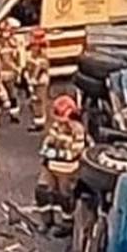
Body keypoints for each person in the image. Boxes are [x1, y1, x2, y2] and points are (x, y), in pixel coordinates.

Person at [36, 95, 87, 236]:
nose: (60, 122)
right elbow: (47, 142)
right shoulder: (56, 126)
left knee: (65, 197)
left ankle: (67, 223)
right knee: (42, 191)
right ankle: (46, 221)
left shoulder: (77, 130)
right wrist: (50, 151)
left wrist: (54, 152)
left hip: (67, 170)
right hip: (50, 166)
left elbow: (73, 153)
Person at [0, 19, 24, 123]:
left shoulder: (16, 43)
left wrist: (19, 70)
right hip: (0, 73)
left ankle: (14, 115)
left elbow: (20, 57)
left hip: (11, 73)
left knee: (13, 95)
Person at [23, 29, 51, 132]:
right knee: (34, 101)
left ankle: (40, 123)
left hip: (40, 81)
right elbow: (28, 66)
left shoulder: (42, 57)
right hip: (32, 79)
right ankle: (37, 120)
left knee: (39, 101)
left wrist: (34, 79)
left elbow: (41, 68)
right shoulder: (31, 55)